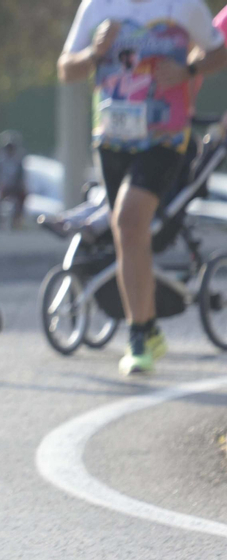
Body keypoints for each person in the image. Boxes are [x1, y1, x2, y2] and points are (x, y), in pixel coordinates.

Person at [59, 0, 227, 376]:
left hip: (165, 137)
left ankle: (136, 337)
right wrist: (94, 53)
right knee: (127, 234)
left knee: (129, 221)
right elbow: (66, 70)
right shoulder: (96, 6)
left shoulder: (185, 6)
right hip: (112, 138)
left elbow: (218, 52)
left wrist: (189, 69)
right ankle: (148, 327)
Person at [0, 131, 28, 231]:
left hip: (15, 185)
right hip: (4, 185)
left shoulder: (18, 158)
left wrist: (22, 185)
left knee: (22, 198)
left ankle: (17, 220)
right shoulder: (0, 158)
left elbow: (20, 174)